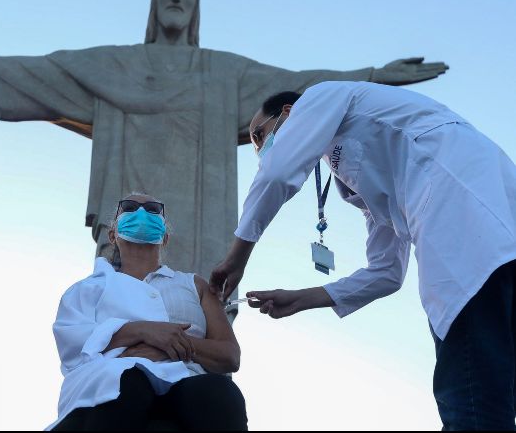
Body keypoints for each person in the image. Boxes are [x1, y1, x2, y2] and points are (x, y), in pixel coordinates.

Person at [0, 0, 448, 286]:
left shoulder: (222, 71)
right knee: (123, 294)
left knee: (200, 301)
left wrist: (376, 75)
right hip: (133, 196)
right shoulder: (117, 63)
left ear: (196, 6)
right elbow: (47, 71)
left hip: (202, 212)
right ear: (154, 3)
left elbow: (298, 84)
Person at [210, 81, 516, 430]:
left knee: (472, 399)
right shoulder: (362, 170)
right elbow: (386, 271)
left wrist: (237, 256)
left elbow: (278, 172)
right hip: (491, 230)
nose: (261, 150)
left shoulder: (322, 96)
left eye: (259, 136)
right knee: (499, 392)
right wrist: (300, 299)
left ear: (288, 114)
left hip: (463, 228)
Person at [50, 194, 248, 431]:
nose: (142, 213)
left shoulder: (194, 285)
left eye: (153, 209)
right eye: (130, 207)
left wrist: (174, 343)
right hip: (111, 382)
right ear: (112, 234)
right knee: (126, 383)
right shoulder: (86, 289)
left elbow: (229, 355)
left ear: (164, 237)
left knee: (220, 394)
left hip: (187, 380)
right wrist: (143, 331)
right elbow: (73, 345)